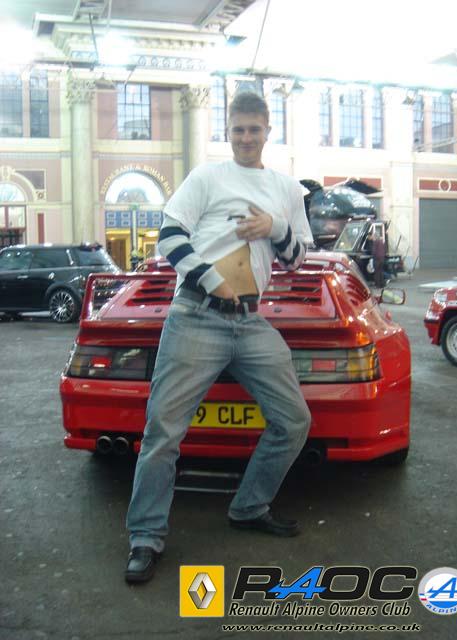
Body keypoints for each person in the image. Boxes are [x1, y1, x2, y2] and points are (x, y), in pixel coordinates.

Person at [125, 91, 313, 584]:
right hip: (196, 314)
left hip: (250, 321)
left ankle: (249, 507)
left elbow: (296, 260)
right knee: (163, 431)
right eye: (237, 130)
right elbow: (169, 236)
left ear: (268, 131)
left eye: (254, 129)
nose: (246, 138)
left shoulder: (286, 190)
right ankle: (145, 536)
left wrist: (274, 226)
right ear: (227, 132)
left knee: (293, 420)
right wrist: (212, 279)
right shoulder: (207, 177)